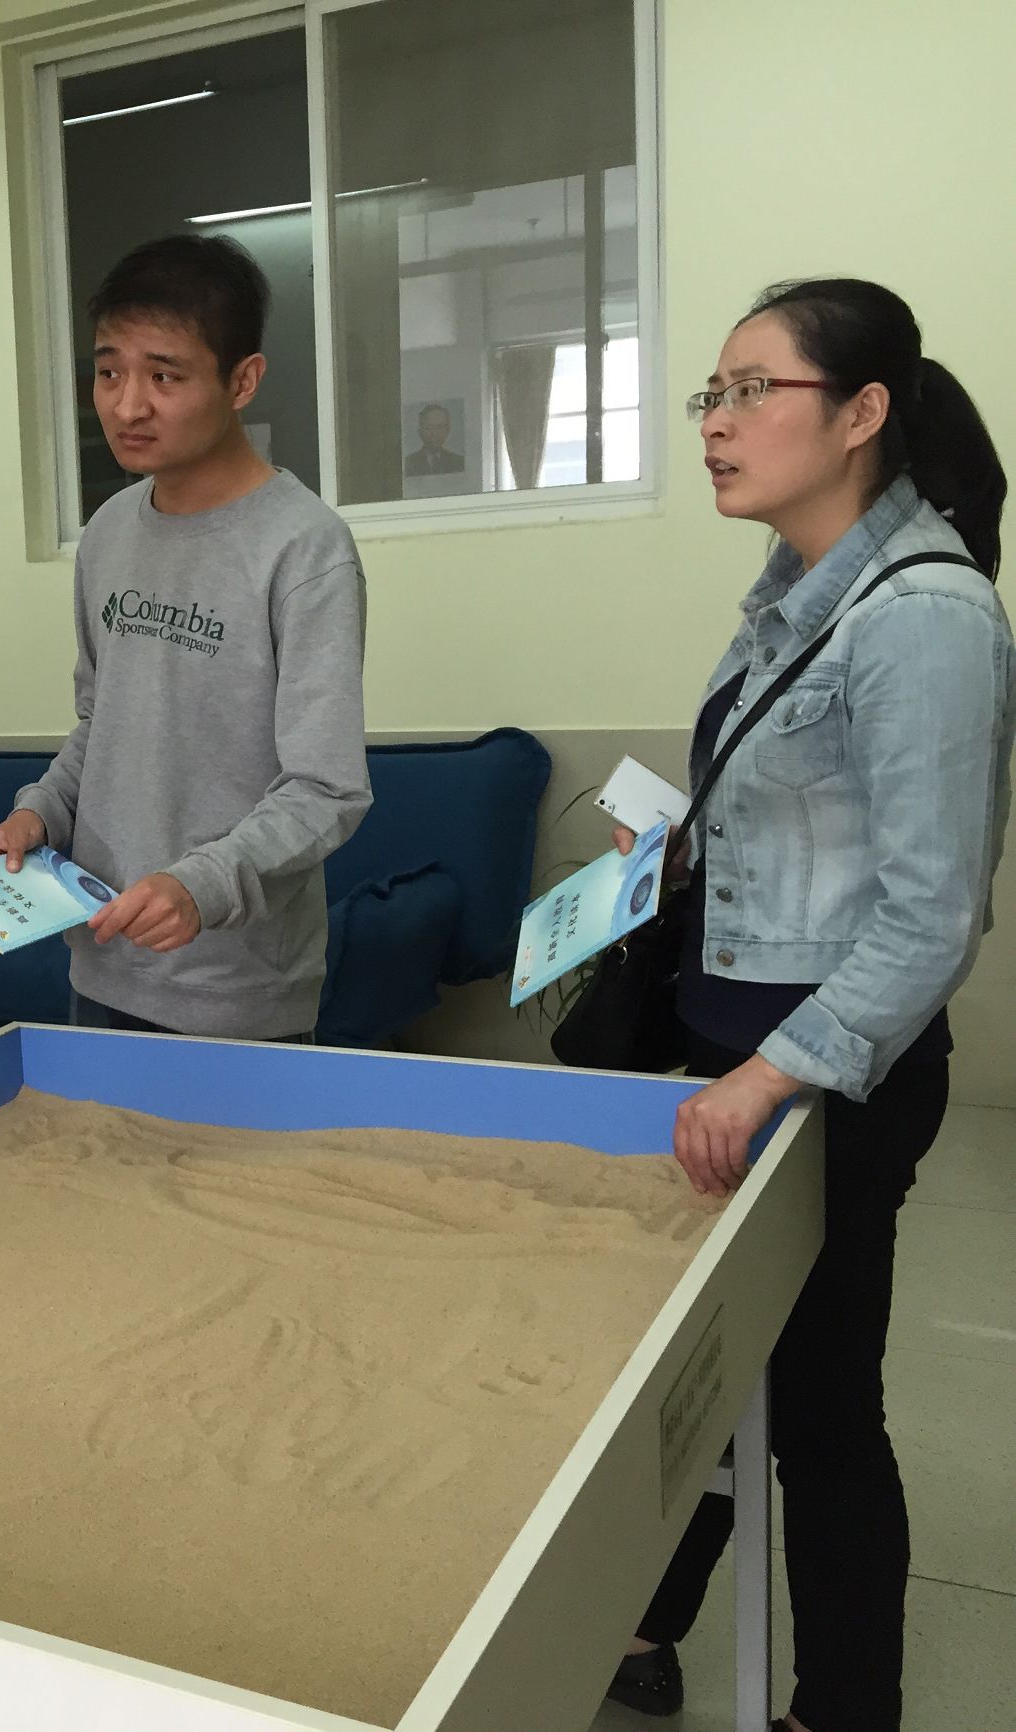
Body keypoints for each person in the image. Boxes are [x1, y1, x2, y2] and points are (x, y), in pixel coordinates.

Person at [605, 279, 1012, 1732]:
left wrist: (770, 1079)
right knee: (709, 1381)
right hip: (726, 1052)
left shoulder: (927, 618)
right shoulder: (793, 593)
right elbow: (799, 827)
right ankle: (641, 1631)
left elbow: (926, 918)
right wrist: (672, 849)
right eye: (708, 395)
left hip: (816, 1079)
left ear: (859, 415)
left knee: (819, 1414)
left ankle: (844, 1705)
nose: (716, 425)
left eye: (749, 392)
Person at [0, 234, 370, 1040]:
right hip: (102, 957)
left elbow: (326, 789)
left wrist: (202, 883)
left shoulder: (302, 547)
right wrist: (40, 813)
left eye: (163, 375)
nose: (126, 405)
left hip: (235, 985)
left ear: (242, 381)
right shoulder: (108, 533)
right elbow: (100, 721)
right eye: (108, 371)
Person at [404, 402, 466, 477]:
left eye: (439, 427)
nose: (434, 433)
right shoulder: (407, 463)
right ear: (420, 432)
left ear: (448, 430)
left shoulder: (460, 463)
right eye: (428, 428)